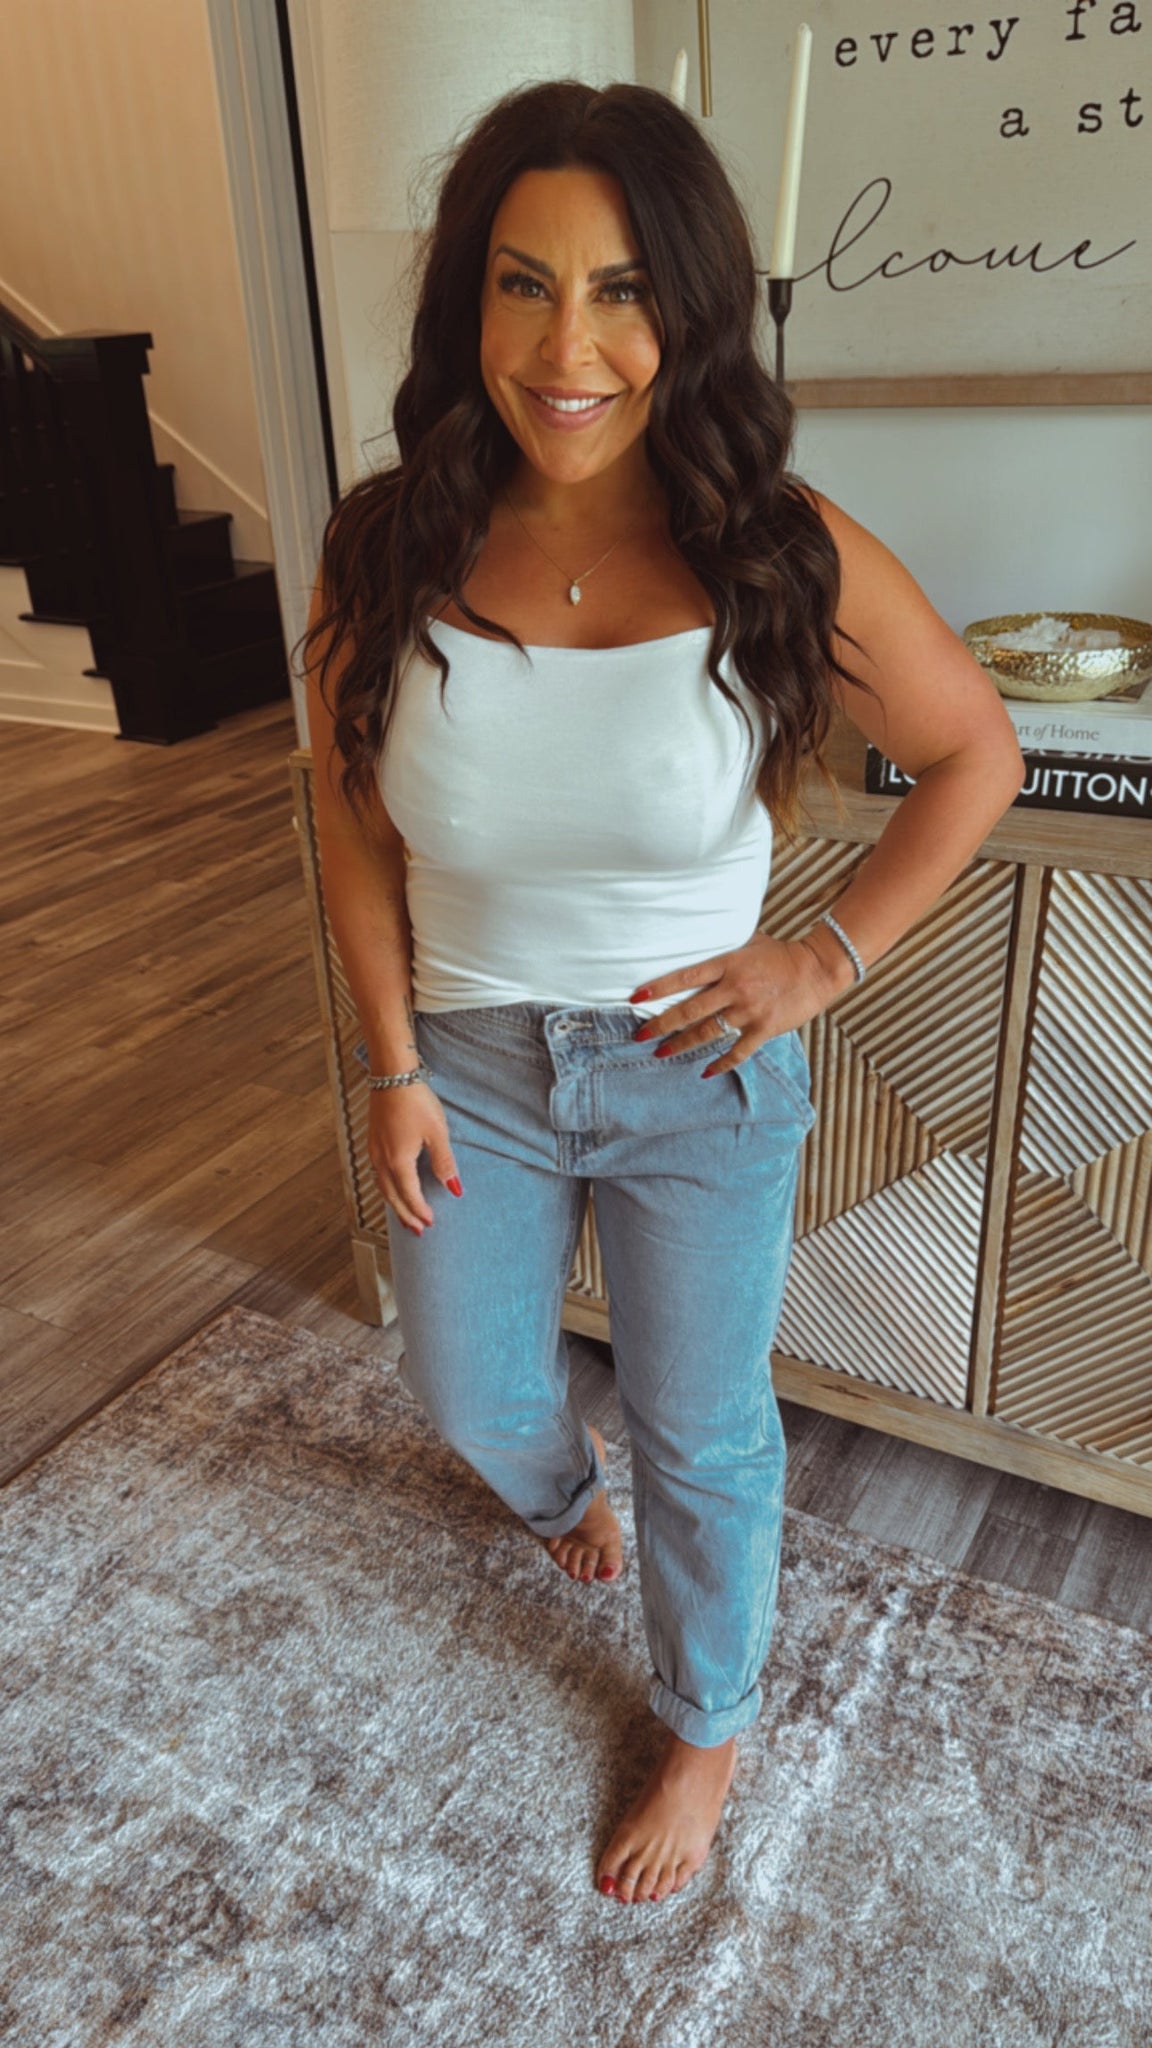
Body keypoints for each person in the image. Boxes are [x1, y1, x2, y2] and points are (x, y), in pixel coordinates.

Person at [299, 79, 1025, 1909]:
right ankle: (566, 1502)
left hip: (696, 1067)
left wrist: (821, 954)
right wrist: (388, 1065)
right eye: (524, 283)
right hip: (465, 1054)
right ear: (468, 299)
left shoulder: (778, 545)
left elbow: (977, 753)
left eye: (621, 290)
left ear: (688, 311)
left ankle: (708, 1719)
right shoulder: (383, 545)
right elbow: (349, 816)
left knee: (705, 1429)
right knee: (464, 1384)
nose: (570, 348)